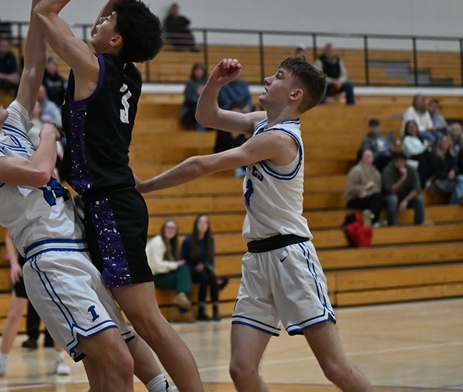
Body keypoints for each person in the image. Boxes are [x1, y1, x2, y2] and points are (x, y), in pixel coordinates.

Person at [0, 0, 176, 392]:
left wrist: (39, 1)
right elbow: (38, 172)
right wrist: (47, 131)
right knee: (118, 361)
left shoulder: (11, 125)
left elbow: (33, 64)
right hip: (50, 257)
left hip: (79, 245)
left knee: (121, 358)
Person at [136, 56, 371, 392]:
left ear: (295, 95)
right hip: (258, 260)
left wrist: (145, 186)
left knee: (335, 368)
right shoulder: (261, 123)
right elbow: (207, 116)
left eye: (278, 76)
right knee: (241, 369)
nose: (267, 79)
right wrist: (214, 84)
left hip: (291, 258)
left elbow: (203, 164)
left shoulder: (281, 139)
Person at [33, 0, 202, 390]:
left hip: (109, 205)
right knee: (132, 322)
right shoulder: (128, 72)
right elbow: (107, 32)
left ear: (116, 40)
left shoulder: (93, 67)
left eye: (108, 21)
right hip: (112, 202)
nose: (100, 19)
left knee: (149, 322)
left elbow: (45, 14)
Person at [0, 232, 71, 378]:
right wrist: (14, 263)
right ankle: (1, 361)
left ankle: (60, 359)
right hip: (25, 264)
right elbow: (9, 235)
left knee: (55, 313)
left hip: (48, 262)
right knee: (14, 314)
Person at [181, 213, 228, 322]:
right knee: (204, 277)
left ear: (208, 226)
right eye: (200, 222)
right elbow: (183, 262)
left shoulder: (210, 240)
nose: (203, 224)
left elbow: (212, 260)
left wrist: (210, 267)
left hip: (205, 271)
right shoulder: (188, 240)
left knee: (211, 276)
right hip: (191, 272)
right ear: (196, 225)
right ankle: (200, 312)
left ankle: (215, 311)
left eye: (205, 222)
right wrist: (195, 267)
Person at [145, 218, 194, 319]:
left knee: (184, 275)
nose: (170, 230)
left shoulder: (168, 243)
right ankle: (183, 310)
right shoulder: (158, 242)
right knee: (184, 273)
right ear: (163, 229)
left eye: (173, 228)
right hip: (154, 278)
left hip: (162, 275)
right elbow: (156, 267)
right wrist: (175, 265)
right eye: (168, 227)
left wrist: (176, 265)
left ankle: (181, 297)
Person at [382, 152, 426, 226]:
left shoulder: (411, 170)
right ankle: (392, 226)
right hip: (392, 196)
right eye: (397, 161)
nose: (400, 163)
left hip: (406, 196)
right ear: (394, 162)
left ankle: (419, 225)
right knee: (393, 199)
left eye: (402, 161)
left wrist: (406, 200)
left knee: (420, 199)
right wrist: (403, 178)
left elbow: (417, 189)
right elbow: (391, 190)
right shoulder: (387, 171)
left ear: (405, 162)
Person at [429, 135, 463, 205]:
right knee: (457, 186)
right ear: (440, 143)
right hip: (439, 181)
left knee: (461, 177)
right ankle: (455, 204)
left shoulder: (451, 155)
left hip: (449, 180)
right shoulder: (435, 155)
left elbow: (456, 167)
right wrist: (447, 175)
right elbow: (435, 172)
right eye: (444, 142)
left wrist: (453, 172)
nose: (446, 143)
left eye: (447, 142)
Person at [344, 149, 384, 223]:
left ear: (373, 159)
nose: (368, 158)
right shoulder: (356, 171)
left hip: (368, 197)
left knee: (378, 198)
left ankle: (371, 220)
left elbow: (377, 189)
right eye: (366, 156)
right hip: (354, 198)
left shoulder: (376, 173)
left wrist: (367, 193)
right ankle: (372, 221)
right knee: (372, 202)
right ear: (362, 158)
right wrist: (364, 188)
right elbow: (350, 188)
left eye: (370, 156)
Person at [181, 62, 207, 129]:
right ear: (193, 71)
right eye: (197, 70)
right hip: (191, 110)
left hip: (205, 109)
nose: (199, 72)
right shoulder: (190, 84)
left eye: (200, 70)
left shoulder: (207, 84)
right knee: (200, 112)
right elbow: (189, 98)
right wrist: (199, 99)